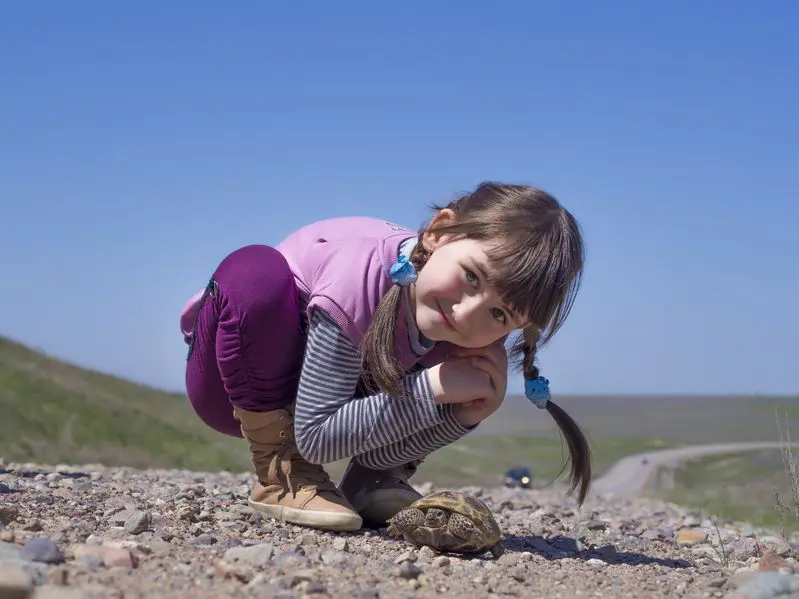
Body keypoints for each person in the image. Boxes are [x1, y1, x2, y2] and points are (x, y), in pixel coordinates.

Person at [179, 181, 592, 533]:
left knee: (464, 366)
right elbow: (319, 437)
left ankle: (370, 485)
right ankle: (282, 474)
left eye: (500, 314)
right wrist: (430, 388)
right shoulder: (359, 276)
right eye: (471, 277)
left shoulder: (467, 336)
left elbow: (375, 445)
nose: (466, 313)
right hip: (233, 385)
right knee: (255, 271)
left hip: (335, 405)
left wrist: (465, 413)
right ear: (440, 232)